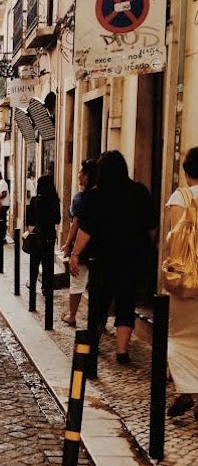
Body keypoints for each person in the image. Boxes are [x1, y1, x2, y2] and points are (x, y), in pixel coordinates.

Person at [70, 150, 157, 365]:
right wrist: (144, 247)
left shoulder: (95, 197)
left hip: (103, 260)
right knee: (126, 303)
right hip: (131, 259)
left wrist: (75, 254)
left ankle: (93, 347)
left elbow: (86, 230)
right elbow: (152, 227)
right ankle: (121, 352)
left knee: (99, 304)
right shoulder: (139, 192)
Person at [164, 146, 198, 417]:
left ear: (187, 172)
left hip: (188, 279)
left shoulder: (181, 197)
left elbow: (175, 243)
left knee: (179, 336)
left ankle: (186, 390)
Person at [61, 159, 98, 327]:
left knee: (76, 281)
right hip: (100, 247)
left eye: (81, 172)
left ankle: (72, 315)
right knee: (98, 285)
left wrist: (68, 246)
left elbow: (75, 225)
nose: (78, 176)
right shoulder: (103, 197)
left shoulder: (80, 198)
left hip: (82, 247)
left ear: (87, 176)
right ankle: (98, 320)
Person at [26, 173, 61, 299]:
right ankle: (47, 288)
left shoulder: (35, 201)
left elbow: (29, 221)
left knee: (34, 263)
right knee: (48, 263)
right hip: (49, 236)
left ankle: (32, 285)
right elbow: (58, 220)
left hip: (37, 237)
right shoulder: (55, 201)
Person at [0, 169, 10, 242]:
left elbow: (4, 194)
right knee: (1, 221)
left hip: (3, 205)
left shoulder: (2, 183)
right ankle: (1, 237)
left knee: (2, 221)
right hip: (2, 205)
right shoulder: (1, 183)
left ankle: (2, 237)